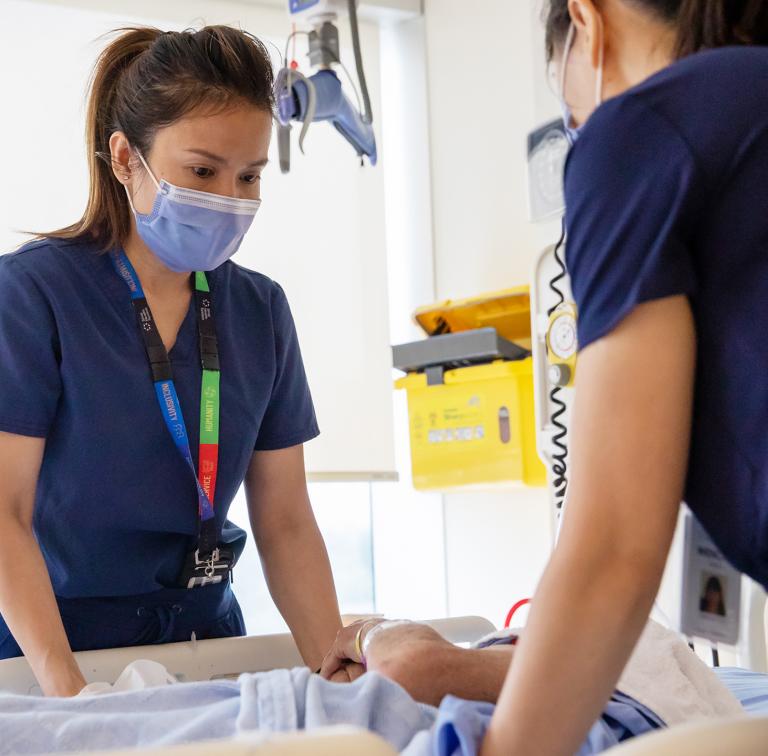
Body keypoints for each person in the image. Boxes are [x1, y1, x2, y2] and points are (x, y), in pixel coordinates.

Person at [0, 25, 342, 696]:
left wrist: (338, 676)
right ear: (127, 159)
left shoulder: (259, 311)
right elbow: (3, 511)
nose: (231, 198)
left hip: (203, 643)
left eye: (249, 176)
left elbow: (287, 521)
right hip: (48, 653)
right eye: (203, 171)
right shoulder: (31, 297)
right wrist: (67, 689)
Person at [473, 0, 768, 753]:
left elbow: (612, 550)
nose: (578, 128)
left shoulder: (637, 131)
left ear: (587, 22)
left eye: (568, 107)